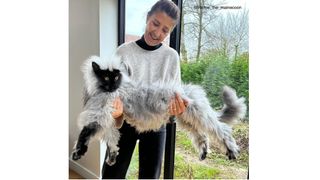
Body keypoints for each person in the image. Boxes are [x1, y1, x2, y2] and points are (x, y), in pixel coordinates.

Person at [102, 0, 188, 178]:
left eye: (165, 30)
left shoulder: (171, 57)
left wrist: (177, 109)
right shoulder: (123, 52)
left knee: (150, 176)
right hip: (125, 124)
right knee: (111, 174)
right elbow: (112, 94)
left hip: (156, 126)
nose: (157, 32)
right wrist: (115, 112)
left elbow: (176, 96)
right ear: (148, 17)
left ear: (170, 32)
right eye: (155, 23)